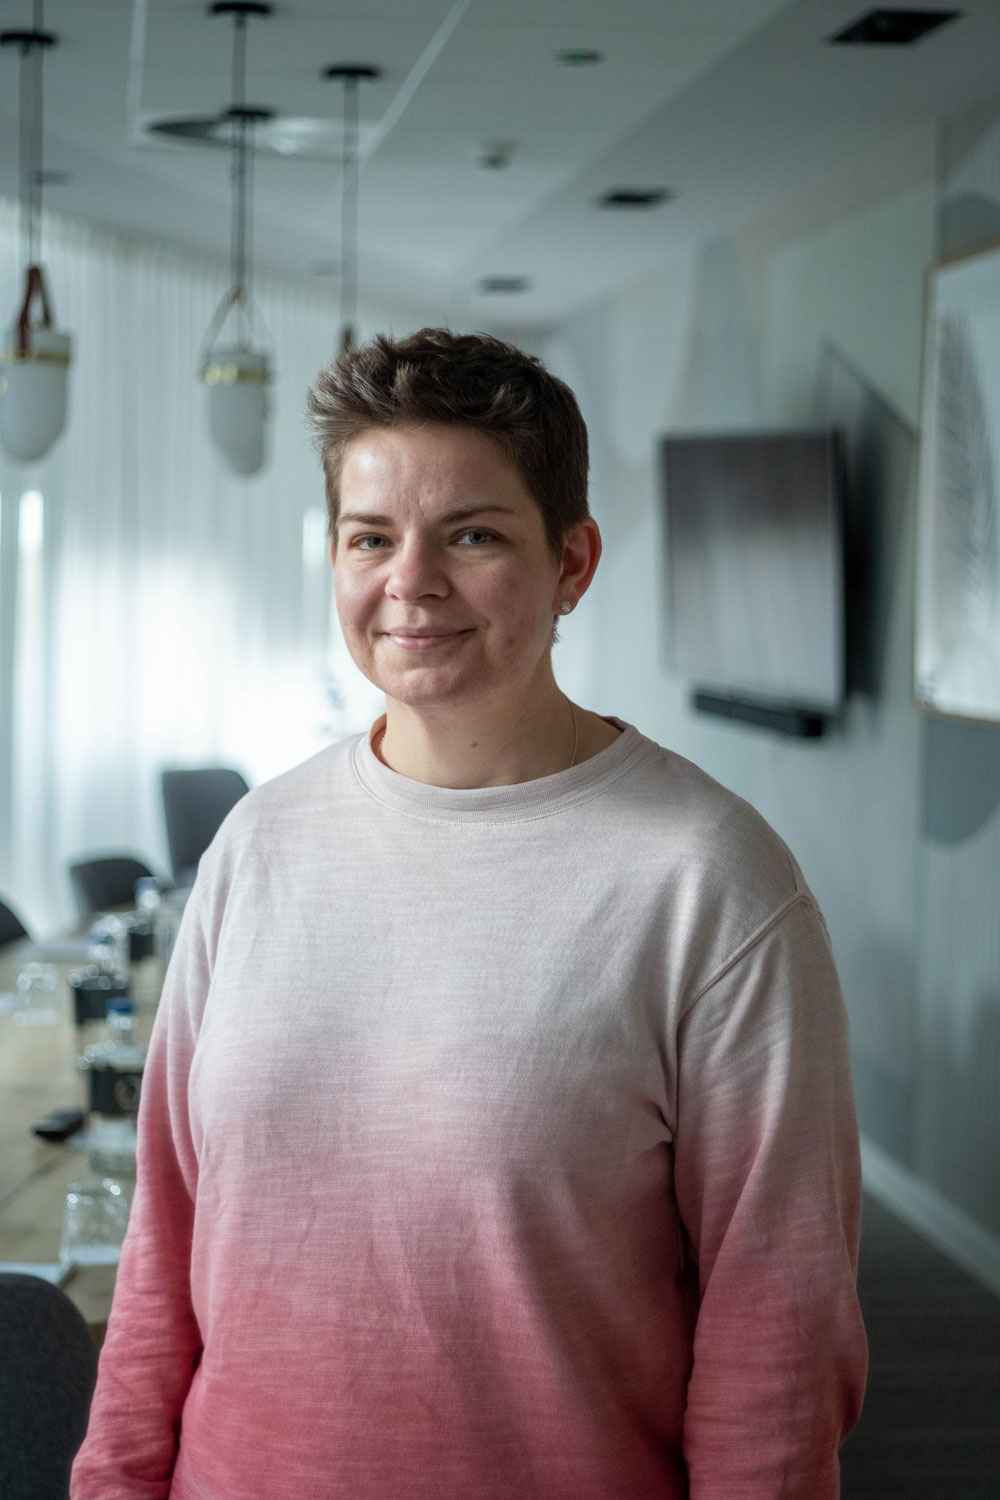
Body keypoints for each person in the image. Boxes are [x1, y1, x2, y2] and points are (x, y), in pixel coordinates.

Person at [71, 328, 867, 1500]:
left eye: (474, 534)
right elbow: (164, 1244)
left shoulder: (711, 882)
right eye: (370, 537)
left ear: (573, 564)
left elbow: (777, 1341)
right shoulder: (257, 846)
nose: (411, 583)